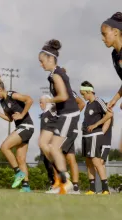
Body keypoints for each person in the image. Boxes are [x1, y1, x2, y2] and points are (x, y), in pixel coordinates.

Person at [38, 39, 80, 194]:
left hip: (69, 114)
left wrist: (49, 100)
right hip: (60, 114)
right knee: (43, 143)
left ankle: (64, 181)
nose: (41, 64)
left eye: (42, 61)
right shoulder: (55, 73)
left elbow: (62, 96)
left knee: (54, 147)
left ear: (50, 59)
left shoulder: (56, 75)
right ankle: (61, 178)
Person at [0, 75, 34, 192]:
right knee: (20, 159)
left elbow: (29, 100)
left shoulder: (12, 95)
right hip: (21, 127)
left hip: (26, 126)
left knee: (4, 147)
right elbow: (10, 119)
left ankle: (18, 173)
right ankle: (26, 186)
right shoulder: (2, 102)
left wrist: (22, 114)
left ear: (0, 89)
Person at [40, 91, 85, 194]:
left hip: (68, 128)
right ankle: (74, 187)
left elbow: (82, 103)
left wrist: (72, 119)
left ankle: (62, 182)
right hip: (65, 128)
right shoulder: (56, 94)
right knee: (70, 158)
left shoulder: (68, 91)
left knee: (55, 151)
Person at [80, 81, 113, 195]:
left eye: (83, 93)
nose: (82, 96)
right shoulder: (88, 105)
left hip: (95, 136)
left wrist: (96, 125)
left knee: (96, 161)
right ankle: (92, 189)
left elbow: (109, 115)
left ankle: (105, 189)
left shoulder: (99, 101)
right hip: (86, 136)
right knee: (88, 162)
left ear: (89, 91)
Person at [101, 12, 122, 151]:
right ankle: (20, 174)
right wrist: (114, 99)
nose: (103, 38)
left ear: (115, 32)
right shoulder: (115, 54)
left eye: (104, 34)